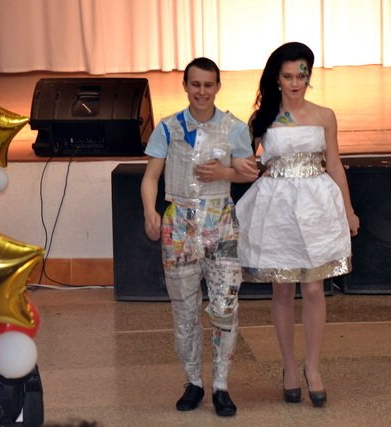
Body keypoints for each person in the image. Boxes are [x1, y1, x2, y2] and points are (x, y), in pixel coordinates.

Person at [236, 42, 360, 407]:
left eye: (300, 76)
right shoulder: (263, 120)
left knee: (315, 289)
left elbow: (334, 163)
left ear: (309, 77)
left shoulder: (324, 115)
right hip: (278, 208)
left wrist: (348, 210)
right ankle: (289, 367)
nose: (294, 83)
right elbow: (247, 166)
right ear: (276, 79)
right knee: (282, 290)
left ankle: (313, 368)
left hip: (315, 205)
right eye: (287, 76)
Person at [140, 57, 258, 417]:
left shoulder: (234, 128)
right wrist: (150, 211)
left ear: (218, 87)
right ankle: (193, 382)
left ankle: (221, 385)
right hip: (178, 226)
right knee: (184, 310)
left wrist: (224, 172)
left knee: (225, 307)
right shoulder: (168, 128)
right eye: (195, 84)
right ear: (185, 86)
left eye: (208, 85)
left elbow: (249, 172)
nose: (202, 91)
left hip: (221, 224)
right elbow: (150, 176)